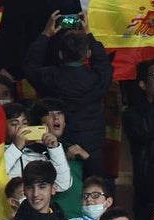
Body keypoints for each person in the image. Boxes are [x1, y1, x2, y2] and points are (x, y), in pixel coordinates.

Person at [23, 11, 114, 178]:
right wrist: (89, 35)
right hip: (91, 144)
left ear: (60, 54)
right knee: (93, 188)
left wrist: (45, 35)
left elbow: (30, 66)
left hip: (57, 142)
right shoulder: (96, 78)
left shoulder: (49, 77)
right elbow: (104, 65)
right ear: (87, 54)